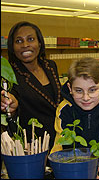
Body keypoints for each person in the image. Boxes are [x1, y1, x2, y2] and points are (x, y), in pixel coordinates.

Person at [50, 57, 99, 179]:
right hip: (73, 172)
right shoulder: (63, 109)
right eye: (78, 90)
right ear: (70, 88)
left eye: (92, 90)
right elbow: (59, 148)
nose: (86, 97)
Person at [1, 21, 62, 151]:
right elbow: (12, 101)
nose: (25, 45)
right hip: (35, 144)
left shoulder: (50, 66)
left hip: (61, 138)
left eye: (30, 39)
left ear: (39, 43)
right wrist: (12, 104)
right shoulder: (9, 74)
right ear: (12, 46)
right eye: (18, 41)